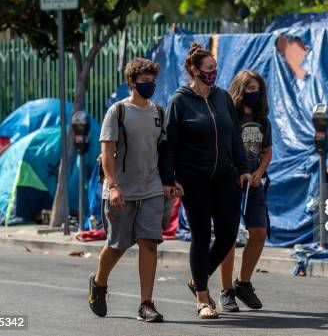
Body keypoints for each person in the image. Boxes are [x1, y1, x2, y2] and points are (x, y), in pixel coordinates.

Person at [161, 43, 251, 319]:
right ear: (194, 70)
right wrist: (169, 179)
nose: (214, 73)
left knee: (227, 234)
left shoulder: (222, 98)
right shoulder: (180, 101)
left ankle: (197, 278)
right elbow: (169, 145)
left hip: (224, 176)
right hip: (193, 179)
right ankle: (202, 298)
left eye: (215, 68)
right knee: (200, 234)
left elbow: (235, 136)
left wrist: (243, 167)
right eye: (209, 69)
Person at [89, 57, 178, 323]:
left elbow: (163, 151)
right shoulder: (118, 111)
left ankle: (146, 304)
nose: (150, 86)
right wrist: (114, 186)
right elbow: (107, 152)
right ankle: (99, 282)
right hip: (121, 191)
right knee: (117, 245)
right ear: (131, 82)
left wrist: (170, 181)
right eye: (144, 81)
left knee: (149, 242)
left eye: (153, 81)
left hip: (150, 188)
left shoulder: (158, 113)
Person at [219, 70, 272, 312]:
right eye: (250, 88)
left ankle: (243, 282)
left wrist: (259, 173)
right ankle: (226, 290)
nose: (255, 93)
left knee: (259, 232)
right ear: (240, 90)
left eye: (257, 88)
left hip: (255, 186)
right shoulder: (230, 117)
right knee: (228, 239)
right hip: (232, 184)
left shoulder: (263, 120)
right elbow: (224, 149)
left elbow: (267, 151)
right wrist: (238, 173)